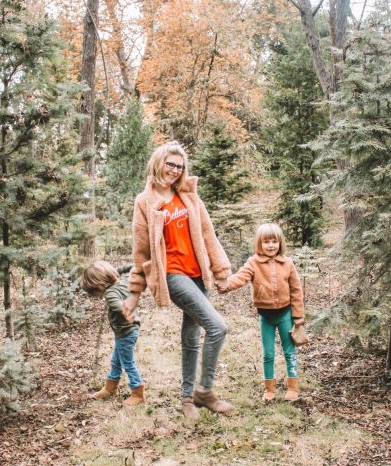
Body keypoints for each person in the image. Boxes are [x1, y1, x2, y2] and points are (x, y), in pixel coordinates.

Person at [121, 141, 234, 422]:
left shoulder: (189, 197)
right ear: (158, 163)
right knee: (218, 327)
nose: (174, 170)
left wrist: (221, 271)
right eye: (170, 164)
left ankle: (187, 399)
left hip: (198, 273)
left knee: (191, 337)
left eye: (179, 166)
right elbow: (142, 252)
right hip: (172, 274)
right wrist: (134, 295)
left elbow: (209, 236)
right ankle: (204, 391)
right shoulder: (144, 202)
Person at [218, 222, 304, 402]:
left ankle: (293, 386)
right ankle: (269, 389)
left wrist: (298, 318)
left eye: (274, 241)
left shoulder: (287, 263)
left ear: (280, 243)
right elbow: (241, 277)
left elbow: (296, 291)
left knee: (289, 351)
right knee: (268, 354)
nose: (271, 245)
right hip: (265, 317)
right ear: (259, 243)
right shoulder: (253, 262)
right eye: (266, 242)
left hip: (285, 315)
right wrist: (227, 284)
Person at [81, 261, 145, 406]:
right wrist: (136, 267)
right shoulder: (122, 280)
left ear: (98, 286)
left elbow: (118, 305)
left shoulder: (110, 294)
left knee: (128, 363)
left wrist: (125, 311)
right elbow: (123, 269)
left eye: (94, 291)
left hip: (125, 332)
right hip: (129, 330)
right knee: (116, 361)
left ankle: (138, 392)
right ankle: (110, 387)